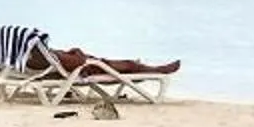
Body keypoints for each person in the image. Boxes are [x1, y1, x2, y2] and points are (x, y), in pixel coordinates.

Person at [44, 45, 178, 75]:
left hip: (88, 65)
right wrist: (77, 51)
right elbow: (79, 62)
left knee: (127, 65)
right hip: (90, 68)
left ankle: (143, 67)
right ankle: (156, 70)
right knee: (129, 65)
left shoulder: (39, 59)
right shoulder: (48, 57)